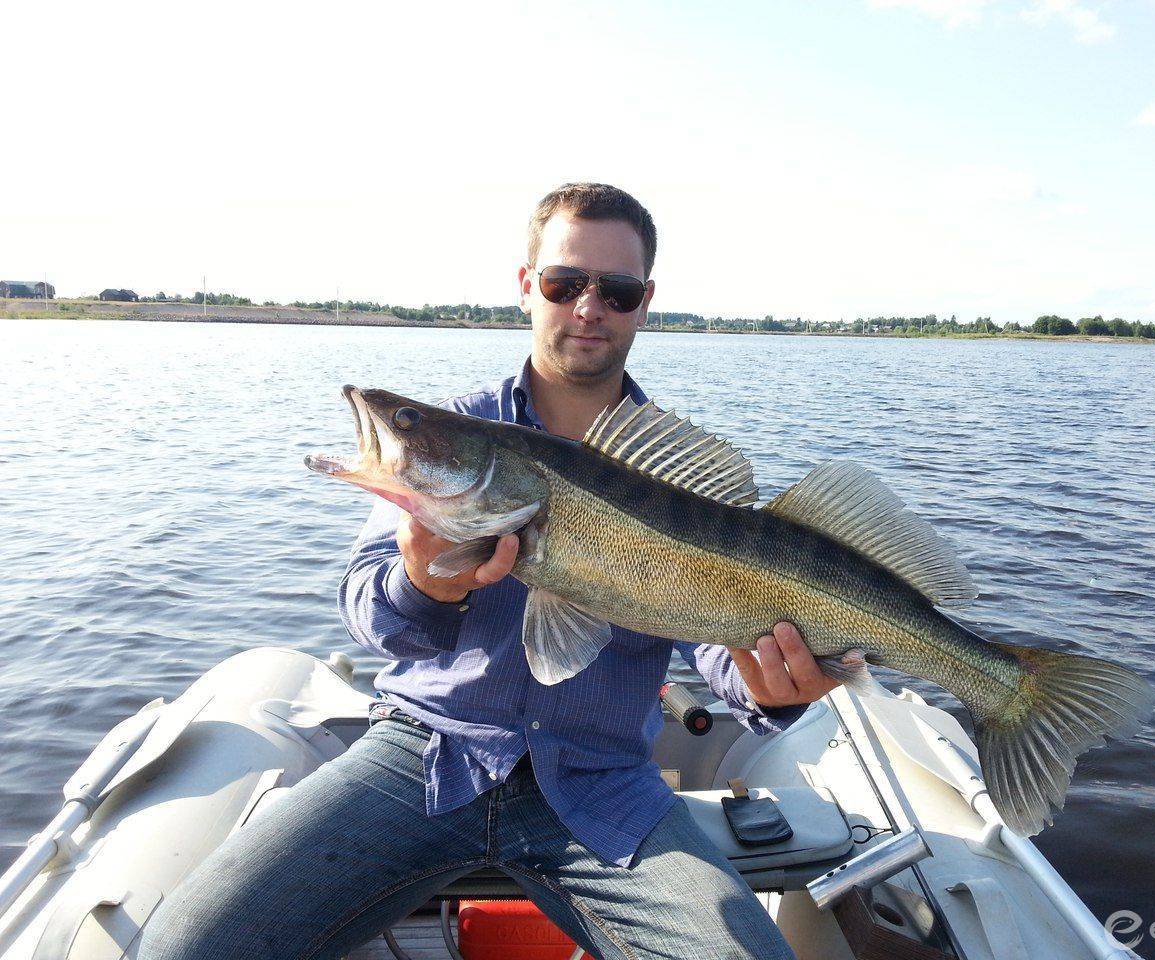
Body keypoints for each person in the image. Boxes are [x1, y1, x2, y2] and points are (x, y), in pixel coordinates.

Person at [140, 183, 838, 960]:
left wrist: (769, 685)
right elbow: (372, 612)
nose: (587, 307)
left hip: (601, 781)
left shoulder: (672, 475)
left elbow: (716, 640)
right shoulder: (453, 436)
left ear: (645, 302)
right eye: (564, 283)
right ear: (526, 287)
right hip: (425, 753)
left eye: (616, 289)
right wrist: (420, 581)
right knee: (185, 945)